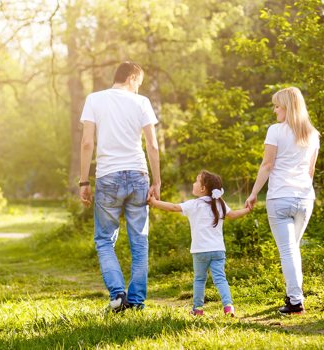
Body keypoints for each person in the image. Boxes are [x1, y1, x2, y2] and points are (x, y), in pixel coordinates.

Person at [78, 61, 161, 312]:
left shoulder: (94, 99)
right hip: (138, 175)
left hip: (108, 177)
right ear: (132, 77)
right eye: (139, 83)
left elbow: (86, 143)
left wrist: (84, 181)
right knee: (140, 242)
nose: (139, 88)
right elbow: (152, 145)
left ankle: (118, 295)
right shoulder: (142, 102)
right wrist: (156, 181)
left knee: (104, 240)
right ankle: (136, 302)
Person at [244, 87, 320, 315]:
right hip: (305, 198)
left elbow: (267, 165)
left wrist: (253, 192)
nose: (275, 110)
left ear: (287, 107)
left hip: (280, 198)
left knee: (288, 251)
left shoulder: (276, 131)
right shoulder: (313, 134)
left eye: (278, 106)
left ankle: (296, 301)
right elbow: (311, 170)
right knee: (292, 249)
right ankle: (292, 295)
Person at [148, 170, 250, 316]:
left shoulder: (194, 204)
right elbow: (233, 215)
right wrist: (247, 210)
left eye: (196, 181)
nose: (193, 183)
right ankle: (228, 307)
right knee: (220, 279)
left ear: (203, 189)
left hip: (200, 251)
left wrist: (154, 202)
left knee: (200, 280)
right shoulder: (220, 203)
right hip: (218, 250)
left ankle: (198, 309)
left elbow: (173, 207)